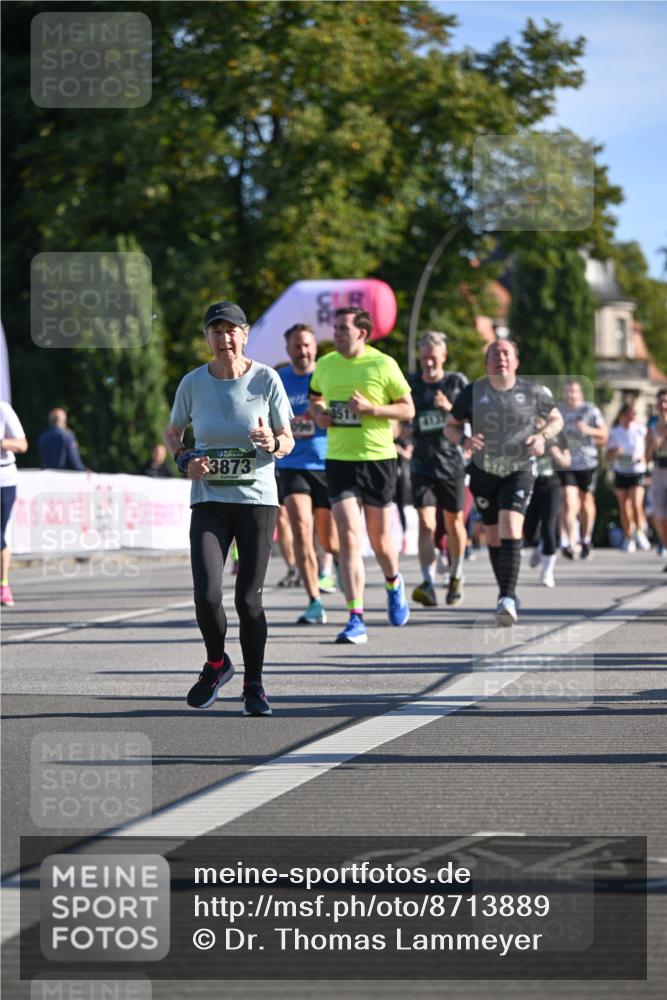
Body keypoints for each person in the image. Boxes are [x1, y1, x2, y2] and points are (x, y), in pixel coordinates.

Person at [165, 301, 294, 716]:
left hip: (256, 500)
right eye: (216, 331)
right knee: (206, 594)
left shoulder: (266, 379)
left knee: (248, 600)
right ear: (207, 337)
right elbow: (173, 431)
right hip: (210, 501)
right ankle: (217, 663)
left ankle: (254, 686)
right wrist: (185, 458)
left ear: (246, 334)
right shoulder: (193, 382)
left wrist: (272, 444)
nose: (225, 339)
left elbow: (287, 438)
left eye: (232, 330)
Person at [309, 307, 414, 644]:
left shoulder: (383, 364)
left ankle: (393, 581)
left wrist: (373, 410)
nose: (337, 334)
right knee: (349, 538)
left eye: (343, 329)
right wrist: (320, 415)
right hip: (339, 460)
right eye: (335, 328)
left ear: (362, 334)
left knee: (382, 543)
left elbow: (408, 408)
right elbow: (315, 398)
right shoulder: (325, 365)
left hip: (378, 459)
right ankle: (356, 617)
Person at [445, 339, 563, 625]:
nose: (501, 358)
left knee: (511, 525)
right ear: (486, 363)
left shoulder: (532, 391)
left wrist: (541, 438)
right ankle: (505, 592)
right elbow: (450, 425)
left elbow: (556, 419)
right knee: (494, 536)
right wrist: (464, 439)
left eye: (506, 353)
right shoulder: (473, 392)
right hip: (484, 472)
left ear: (516, 361)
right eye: (494, 354)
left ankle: (507, 598)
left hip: (519, 468)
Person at [276, 323, 339, 624]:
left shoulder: (326, 376)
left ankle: (332, 565)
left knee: (330, 539)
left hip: (328, 463)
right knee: (301, 527)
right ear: (288, 350)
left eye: (307, 345)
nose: (302, 351)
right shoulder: (278, 379)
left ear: (315, 348)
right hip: (292, 465)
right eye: (296, 346)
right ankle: (314, 600)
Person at [408, 331, 468, 608]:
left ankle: (456, 574)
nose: (429, 363)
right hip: (421, 463)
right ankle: (428, 581)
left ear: (443, 356)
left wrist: (449, 408)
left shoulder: (456, 382)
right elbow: (405, 419)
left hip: (451, 463)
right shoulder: (411, 384)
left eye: (433, 358)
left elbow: (471, 415)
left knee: (454, 522)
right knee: (426, 523)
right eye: (424, 359)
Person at [557, 379, 608, 560]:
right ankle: (571, 541)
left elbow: (604, 434)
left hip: (587, 462)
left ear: (581, 394)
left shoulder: (590, 410)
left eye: (574, 391)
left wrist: (587, 430)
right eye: (567, 391)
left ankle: (586, 538)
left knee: (586, 499)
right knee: (569, 500)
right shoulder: (559, 411)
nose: (571, 394)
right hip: (566, 462)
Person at [524, 415, 571, 588]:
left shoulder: (558, 436)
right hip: (532, 485)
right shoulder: (526, 434)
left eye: (541, 418)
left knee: (548, 526)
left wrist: (557, 455)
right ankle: (536, 547)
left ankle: (547, 571)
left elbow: (568, 461)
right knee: (528, 528)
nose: (537, 422)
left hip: (553, 485)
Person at [607, 403, 649, 553]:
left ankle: (639, 531)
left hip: (637, 470)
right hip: (621, 471)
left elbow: (650, 447)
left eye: (634, 414)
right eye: (629, 414)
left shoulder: (640, 430)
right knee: (624, 506)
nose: (632, 417)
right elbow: (608, 455)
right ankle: (628, 536)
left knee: (636, 503)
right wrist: (615, 451)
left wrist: (645, 458)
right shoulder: (615, 432)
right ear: (622, 415)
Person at [0, 400, 28, 607]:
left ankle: (3, 585)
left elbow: (22, 444)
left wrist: (2, 443)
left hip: (4, 479)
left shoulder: (3, 409)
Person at [646, 387, 667, 570]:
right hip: (659, 471)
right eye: (660, 401)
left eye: (666, 401)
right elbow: (646, 455)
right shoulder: (652, 424)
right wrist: (654, 445)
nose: (663, 405)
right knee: (660, 517)